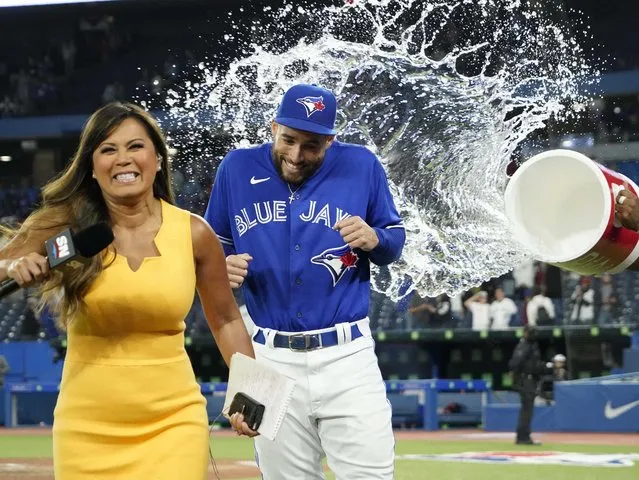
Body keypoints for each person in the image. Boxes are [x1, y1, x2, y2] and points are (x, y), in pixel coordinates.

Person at [0, 102, 254, 479]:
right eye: (107, 149)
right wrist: (12, 265)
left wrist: (249, 390)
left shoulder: (194, 233)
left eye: (135, 146)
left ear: (158, 158)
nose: (123, 159)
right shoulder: (64, 228)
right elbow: (3, 263)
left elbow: (227, 319)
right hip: (87, 425)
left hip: (174, 421)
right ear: (91, 165)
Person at [205, 83, 405, 479]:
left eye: (311, 145)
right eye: (289, 140)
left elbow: (393, 240)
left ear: (330, 141)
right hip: (270, 357)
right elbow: (208, 251)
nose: (296, 155)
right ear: (272, 126)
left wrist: (376, 238)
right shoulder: (237, 167)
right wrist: (220, 267)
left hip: (347, 357)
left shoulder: (362, 165)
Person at [508, 325, 548, 445]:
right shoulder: (524, 346)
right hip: (526, 380)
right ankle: (523, 437)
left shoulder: (532, 346)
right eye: (530, 332)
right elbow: (515, 362)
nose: (532, 334)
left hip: (531, 379)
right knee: (527, 409)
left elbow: (534, 364)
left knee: (528, 409)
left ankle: (524, 436)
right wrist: (515, 378)